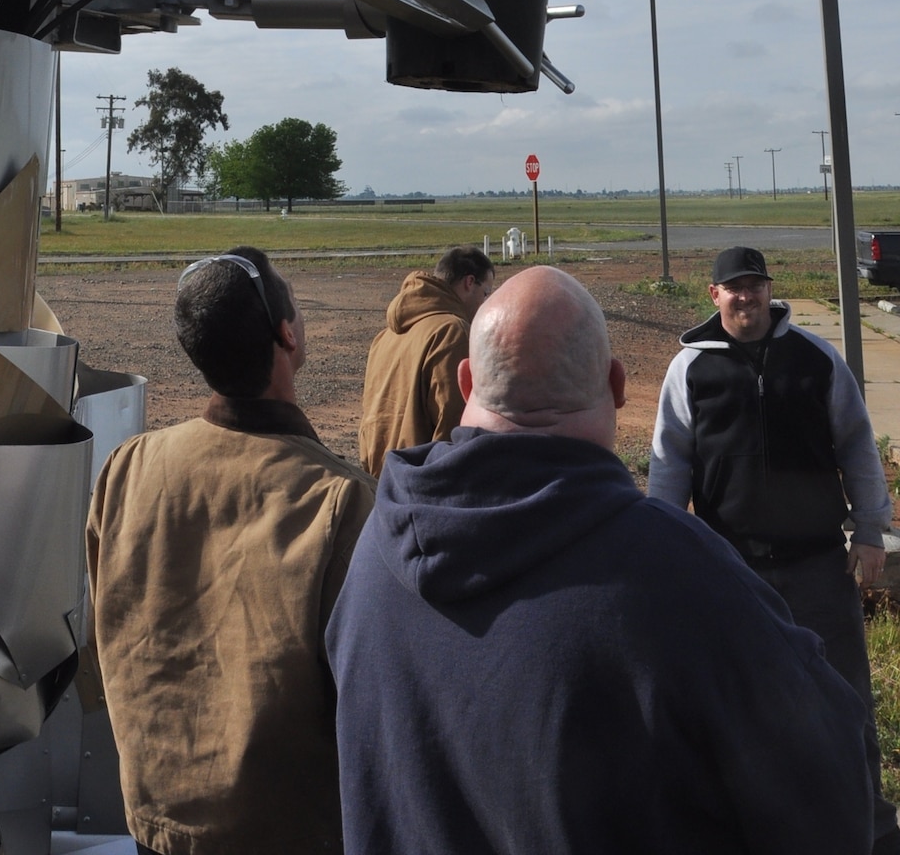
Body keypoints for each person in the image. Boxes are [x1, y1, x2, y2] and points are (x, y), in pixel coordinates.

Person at [328, 264, 873, 855]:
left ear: (466, 383)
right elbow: (831, 801)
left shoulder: (371, 554)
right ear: (617, 385)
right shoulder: (682, 579)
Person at [86, 246, 375, 855]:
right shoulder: (340, 501)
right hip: (283, 832)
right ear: (288, 334)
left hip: (154, 821)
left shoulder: (127, 468)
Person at [650, 243, 899, 852]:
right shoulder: (690, 371)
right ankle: (755, 824)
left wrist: (870, 531)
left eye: (755, 284)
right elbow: (668, 468)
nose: (746, 296)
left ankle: (871, 824)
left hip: (817, 565)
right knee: (739, 707)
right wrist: (657, 552)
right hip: (730, 571)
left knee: (845, 701)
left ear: (769, 289)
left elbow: (858, 447)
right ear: (714, 296)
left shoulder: (815, 360)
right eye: (733, 287)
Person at [358, 244, 494, 474]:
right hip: (421, 480)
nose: (485, 304)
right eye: (486, 294)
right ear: (469, 283)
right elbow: (454, 422)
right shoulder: (453, 330)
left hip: (382, 478)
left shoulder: (386, 335)